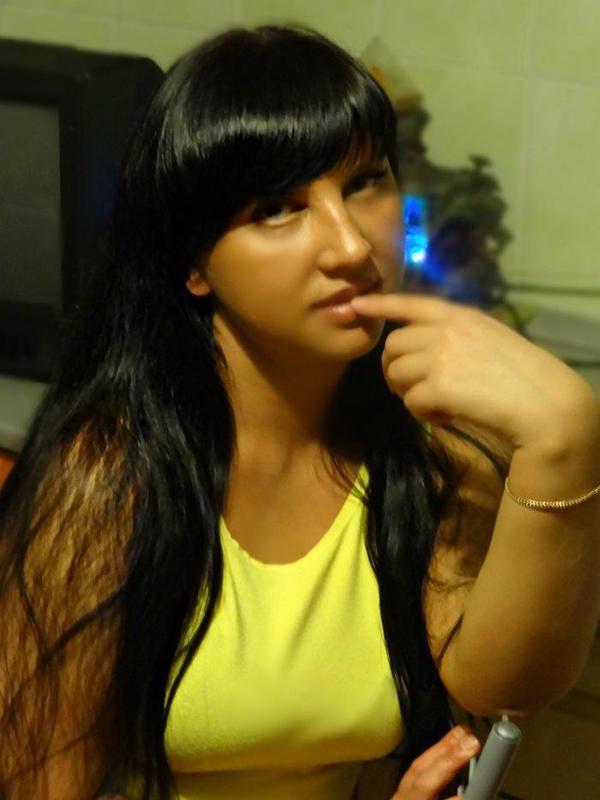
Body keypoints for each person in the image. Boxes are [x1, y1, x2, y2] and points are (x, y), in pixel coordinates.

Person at [0, 23, 599, 800]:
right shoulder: (109, 481)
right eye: (278, 208)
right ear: (192, 264)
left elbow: (504, 690)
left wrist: (565, 440)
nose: (349, 246)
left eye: (365, 182)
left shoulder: (427, 455)